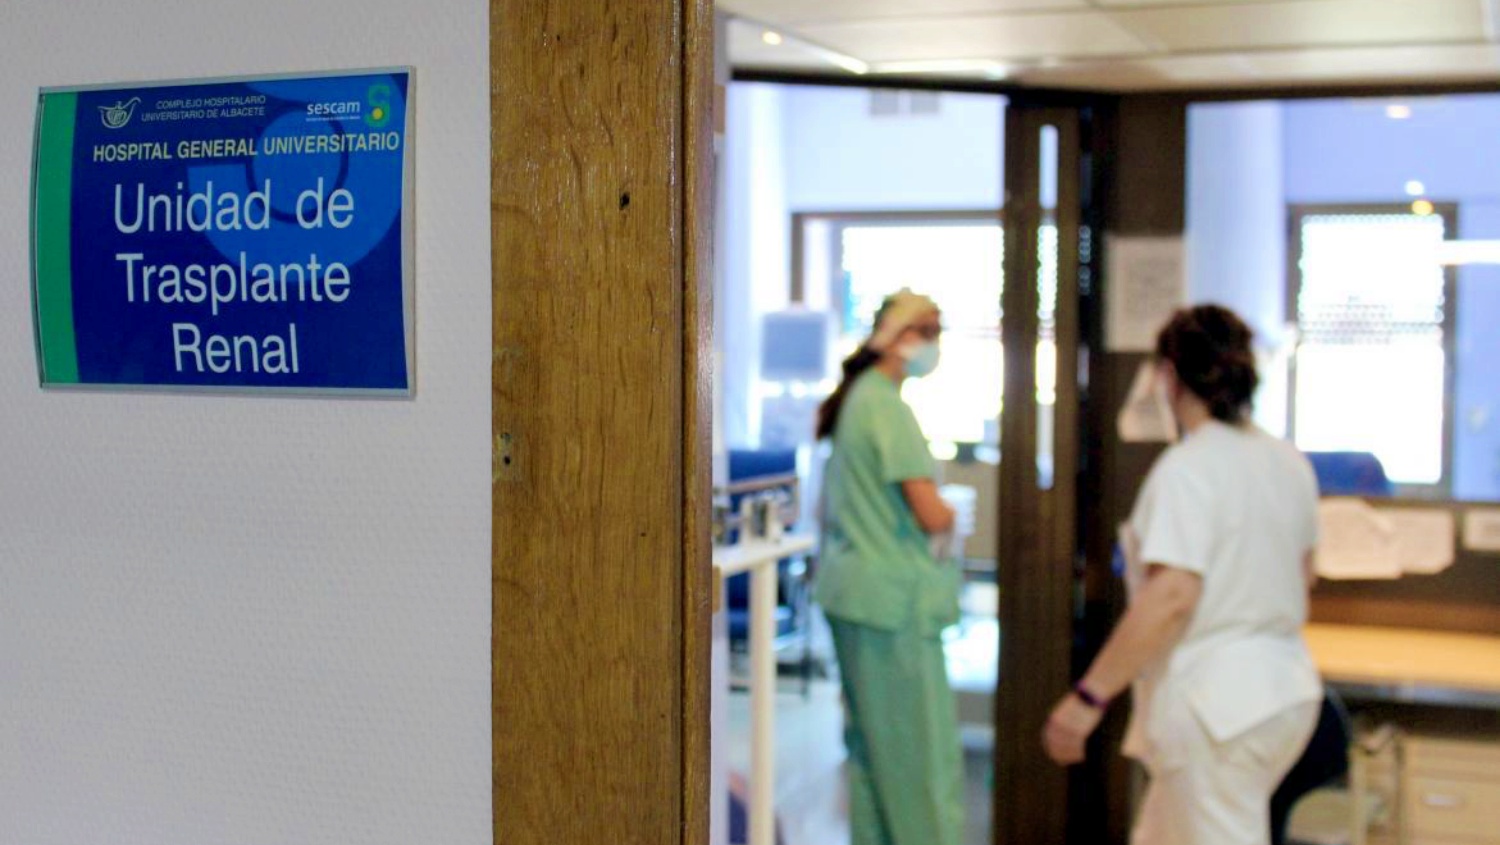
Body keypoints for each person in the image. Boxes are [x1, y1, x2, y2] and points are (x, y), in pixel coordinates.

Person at [1042, 304, 1323, 845]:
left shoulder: (1188, 467)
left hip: (1218, 708)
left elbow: (1172, 596)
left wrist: (1088, 700)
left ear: (1168, 376)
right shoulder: (1287, 461)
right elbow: (1304, 574)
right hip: (1284, 694)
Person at [814, 289, 964, 845]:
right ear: (899, 338)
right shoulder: (886, 408)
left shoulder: (860, 400)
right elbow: (930, 513)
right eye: (930, 332)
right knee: (917, 761)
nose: (935, 345)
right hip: (891, 607)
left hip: (856, 596)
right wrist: (951, 513)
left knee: (872, 754)